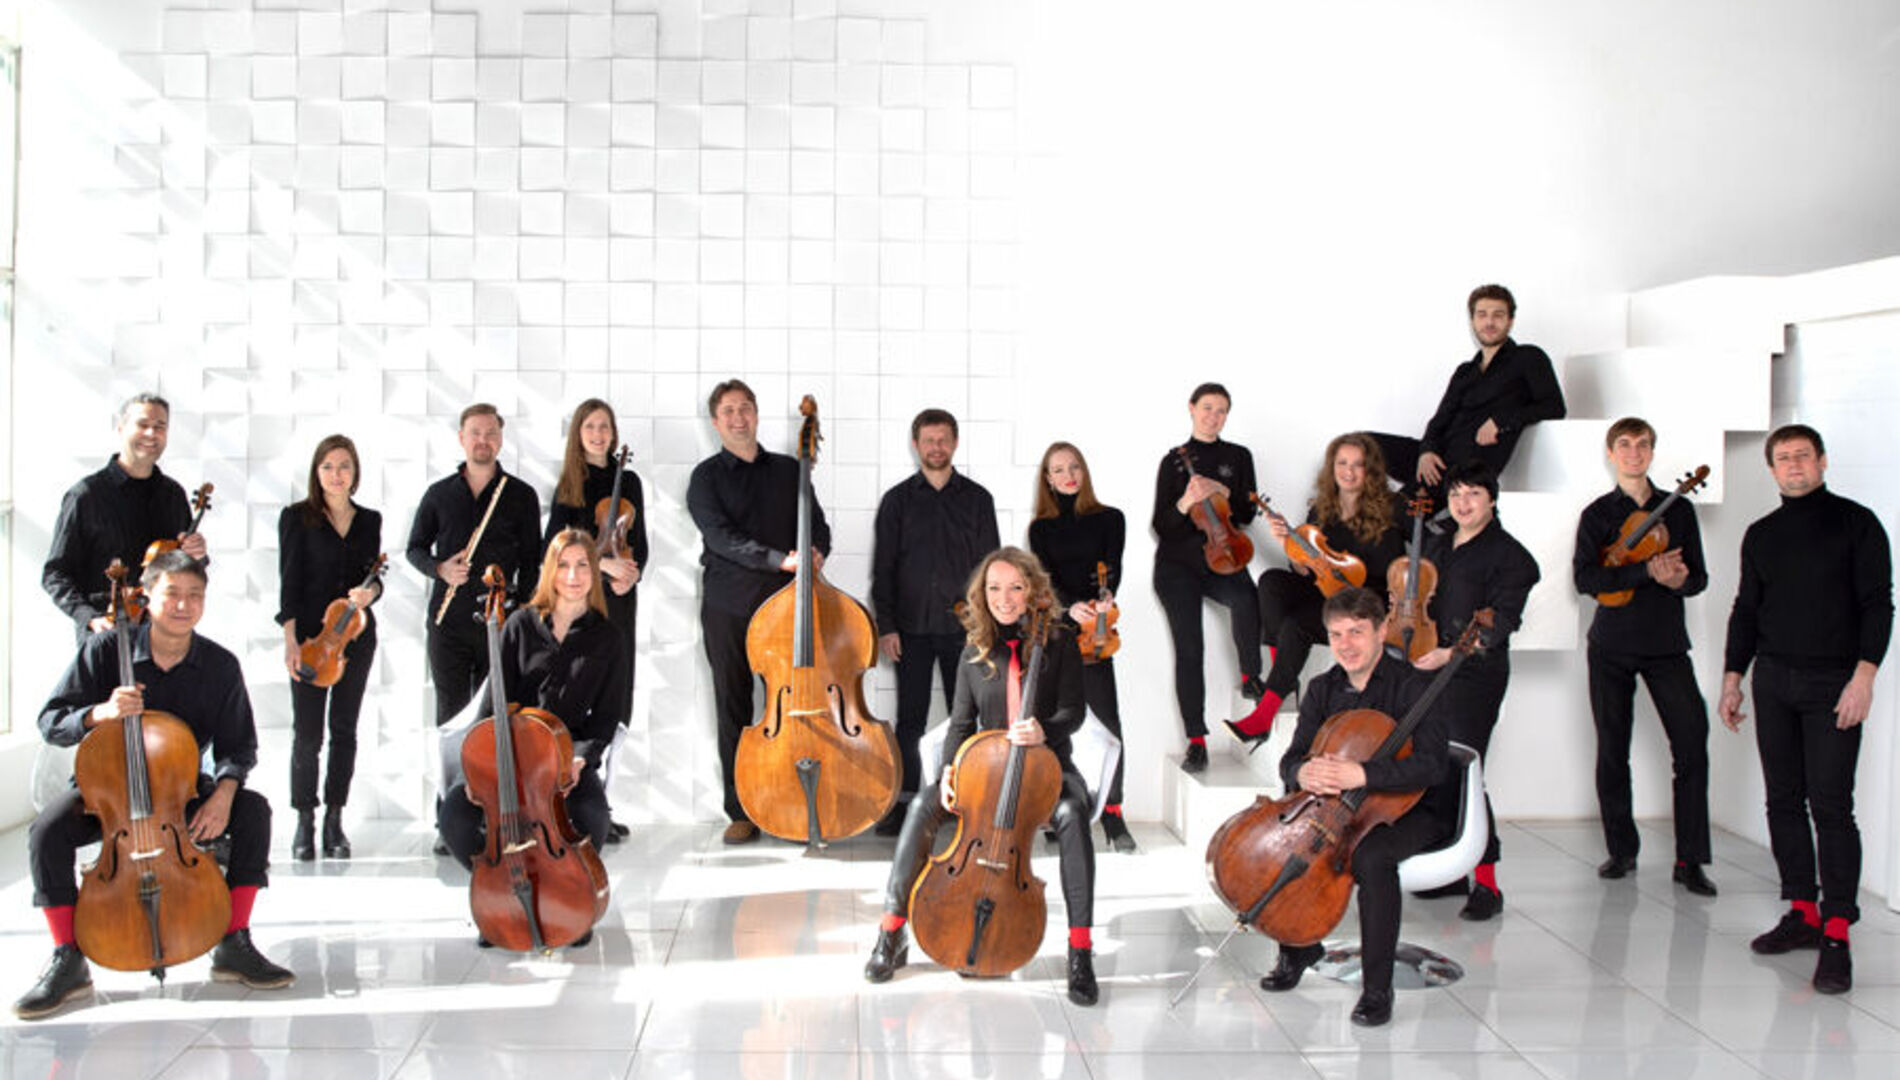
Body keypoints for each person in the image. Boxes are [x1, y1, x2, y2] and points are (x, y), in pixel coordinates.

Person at [15, 552, 294, 1020]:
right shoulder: (104, 651)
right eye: (172, 594)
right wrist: (98, 713)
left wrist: (224, 794)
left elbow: (239, 746)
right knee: (46, 832)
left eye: (194, 595)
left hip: (177, 794)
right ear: (146, 596)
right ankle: (68, 957)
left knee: (253, 812)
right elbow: (51, 721)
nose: (184, 605)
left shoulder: (220, 665)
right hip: (107, 795)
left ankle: (233, 941)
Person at [862, 547, 1099, 1006]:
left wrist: (1044, 731)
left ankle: (1080, 950)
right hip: (985, 772)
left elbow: (1074, 712)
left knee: (1072, 813)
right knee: (922, 804)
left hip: (1047, 767)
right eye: (994, 588)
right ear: (981, 594)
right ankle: (891, 931)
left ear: (1033, 590)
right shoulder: (973, 651)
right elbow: (959, 723)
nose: (1004, 598)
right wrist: (950, 771)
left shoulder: (1060, 642)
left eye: (1015, 587)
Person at [1720, 424, 1891, 995]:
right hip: (1774, 679)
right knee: (1783, 800)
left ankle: (1837, 932)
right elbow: (1747, 609)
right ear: (1772, 469)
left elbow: (1879, 605)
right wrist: (1732, 678)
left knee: (1832, 805)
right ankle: (1803, 912)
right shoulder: (1762, 534)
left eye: (1803, 456)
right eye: (1783, 458)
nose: (1793, 465)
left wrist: (1864, 677)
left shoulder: (1858, 524)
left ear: (1822, 461)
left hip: (1835, 681)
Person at [1255, 587, 1449, 1028]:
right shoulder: (1322, 689)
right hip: (1341, 808)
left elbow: (1433, 765)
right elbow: (1291, 759)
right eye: (1336, 634)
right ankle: (1298, 949)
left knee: (1371, 857)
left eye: (1357, 632)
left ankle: (1378, 989)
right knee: (1293, 844)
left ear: (1381, 631)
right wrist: (1303, 772)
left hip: (1411, 809)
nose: (1346, 644)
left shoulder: (1414, 687)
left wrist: (1363, 774)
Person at [438, 529, 627, 938]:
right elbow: (493, 705)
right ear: (549, 571)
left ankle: (570, 898)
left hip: (565, 757)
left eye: (582, 565)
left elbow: (607, 715)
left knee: (592, 816)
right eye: (564, 565)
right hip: (510, 753)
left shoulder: (608, 638)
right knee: (455, 817)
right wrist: (478, 770)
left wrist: (582, 758)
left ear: (594, 572)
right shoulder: (520, 625)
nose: (573, 576)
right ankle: (500, 892)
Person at [1570, 418, 1715, 895]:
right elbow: (1586, 580)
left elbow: (1698, 579)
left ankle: (1690, 860)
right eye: (1625, 445)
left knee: (1691, 744)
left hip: (1666, 644)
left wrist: (1678, 580)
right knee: (1613, 749)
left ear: (1652, 452)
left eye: (1643, 445)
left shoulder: (1680, 510)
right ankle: (1622, 851)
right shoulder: (1597, 514)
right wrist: (1643, 574)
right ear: (1611, 453)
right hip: (1610, 645)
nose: (1634, 452)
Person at [686, 379, 831, 845]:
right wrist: (779, 560)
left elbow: (818, 524)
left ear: (756, 414)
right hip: (728, 606)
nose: (738, 417)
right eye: (728, 410)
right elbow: (721, 539)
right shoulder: (705, 478)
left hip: (785, 608)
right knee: (733, 705)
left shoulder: (790, 469)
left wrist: (817, 550)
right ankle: (741, 809)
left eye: (745, 407)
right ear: (715, 422)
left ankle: (790, 802)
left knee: (788, 707)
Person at [405, 403, 543, 854]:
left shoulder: (520, 495)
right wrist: (439, 569)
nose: (483, 440)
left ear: (500, 439)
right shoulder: (439, 494)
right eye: (475, 433)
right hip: (447, 624)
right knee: (450, 720)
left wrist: (520, 610)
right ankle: (449, 818)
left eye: (490, 433)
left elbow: (533, 561)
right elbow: (414, 549)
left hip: (499, 625)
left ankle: (492, 814)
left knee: (494, 720)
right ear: (462, 438)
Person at [1415, 461, 1539, 921]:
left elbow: (1502, 622)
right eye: (1456, 495)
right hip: (1429, 665)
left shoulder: (1512, 557)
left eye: (1473, 495)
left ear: (1492, 500)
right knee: (1434, 768)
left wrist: (1451, 654)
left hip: (1474, 674)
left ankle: (1487, 882)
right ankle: (1450, 872)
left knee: (1466, 769)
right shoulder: (1438, 543)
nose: (1462, 503)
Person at [1231, 432, 1407, 746]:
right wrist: (1290, 547)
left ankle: (1264, 716)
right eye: (1342, 463)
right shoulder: (1322, 508)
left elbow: (1413, 556)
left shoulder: (1392, 508)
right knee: (1271, 582)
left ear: (1370, 470)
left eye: (1357, 464)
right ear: (1332, 468)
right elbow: (1305, 569)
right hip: (1329, 593)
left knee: (1296, 624)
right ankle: (1284, 678)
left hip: (1367, 600)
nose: (1348, 471)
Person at [872, 408, 1000, 834]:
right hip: (909, 629)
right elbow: (884, 568)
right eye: (928, 440)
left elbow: (991, 569)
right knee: (910, 719)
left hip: (966, 632)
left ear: (955, 442)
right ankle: (905, 805)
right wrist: (886, 625)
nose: (936, 447)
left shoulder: (978, 500)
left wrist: (988, 628)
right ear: (916, 445)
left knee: (967, 721)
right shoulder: (896, 501)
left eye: (943, 439)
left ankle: (966, 803)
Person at [544, 398, 648, 843]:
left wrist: (632, 573)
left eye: (605, 426)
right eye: (590, 426)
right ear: (579, 434)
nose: (599, 434)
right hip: (581, 601)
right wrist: (601, 565)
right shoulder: (571, 482)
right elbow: (553, 544)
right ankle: (567, 803)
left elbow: (638, 542)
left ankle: (599, 803)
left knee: (616, 700)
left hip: (620, 600)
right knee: (577, 697)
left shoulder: (631, 481)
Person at [277, 434, 383, 863]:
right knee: (307, 734)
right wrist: (290, 641)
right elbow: (288, 584)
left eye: (344, 466)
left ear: (355, 472)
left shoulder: (370, 520)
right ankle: (304, 818)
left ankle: (334, 819)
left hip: (355, 638)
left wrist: (371, 593)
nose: (336, 475)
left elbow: (375, 578)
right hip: (309, 639)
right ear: (316, 472)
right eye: (328, 467)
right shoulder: (296, 518)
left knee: (344, 729)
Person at [1027, 441, 1135, 852]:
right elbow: (1045, 581)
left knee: (1108, 722)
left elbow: (1113, 569)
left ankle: (1113, 813)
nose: (1068, 475)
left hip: (1095, 632)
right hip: (1057, 631)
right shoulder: (1040, 529)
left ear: (1084, 471)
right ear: (1048, 479)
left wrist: (1103, 601)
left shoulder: (1111, 518)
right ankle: (1056, 807)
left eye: (1074, 467)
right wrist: (1070, 606)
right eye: (1058, 470)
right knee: (1054, 723)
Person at [1152, 382, 1264, 774]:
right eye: (1207, 408)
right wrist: (1185, 502)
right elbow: (1162, 526)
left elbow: (1246, 516)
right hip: (1177, 566)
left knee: (1247, 597)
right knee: (1190, 649)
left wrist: (1222, 489)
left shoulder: (1239, 456)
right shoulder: (1173, 462)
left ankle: (1251, 675)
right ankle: (1196, 741)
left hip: (1223, 554)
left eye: (1221, 410)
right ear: (1192, 408)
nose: (1213, 416)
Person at [43, 393, 207, 644]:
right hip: (105, 633)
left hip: (164, 636)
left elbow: (188, 571)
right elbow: (55, 574)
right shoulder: (86, 495)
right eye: (142, 424)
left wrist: (197, 555)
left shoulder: (173, 495)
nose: (151, 433)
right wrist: (89, 617)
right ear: (121, 428)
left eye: (160, 426)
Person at [1382, 284, 1565, 505]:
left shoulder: (1528, 357)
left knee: (1397, 510)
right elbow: (1440, 420)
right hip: (1436, 459)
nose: (1489, 322)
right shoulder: (1465, 371)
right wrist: (1427, 451)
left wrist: (1500, 421)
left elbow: (1554, 406)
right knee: (1360, 445)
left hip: (1465, 470)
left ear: (1510, 321)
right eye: (1482, 315)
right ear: (1473, 321)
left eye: (1498, 315)